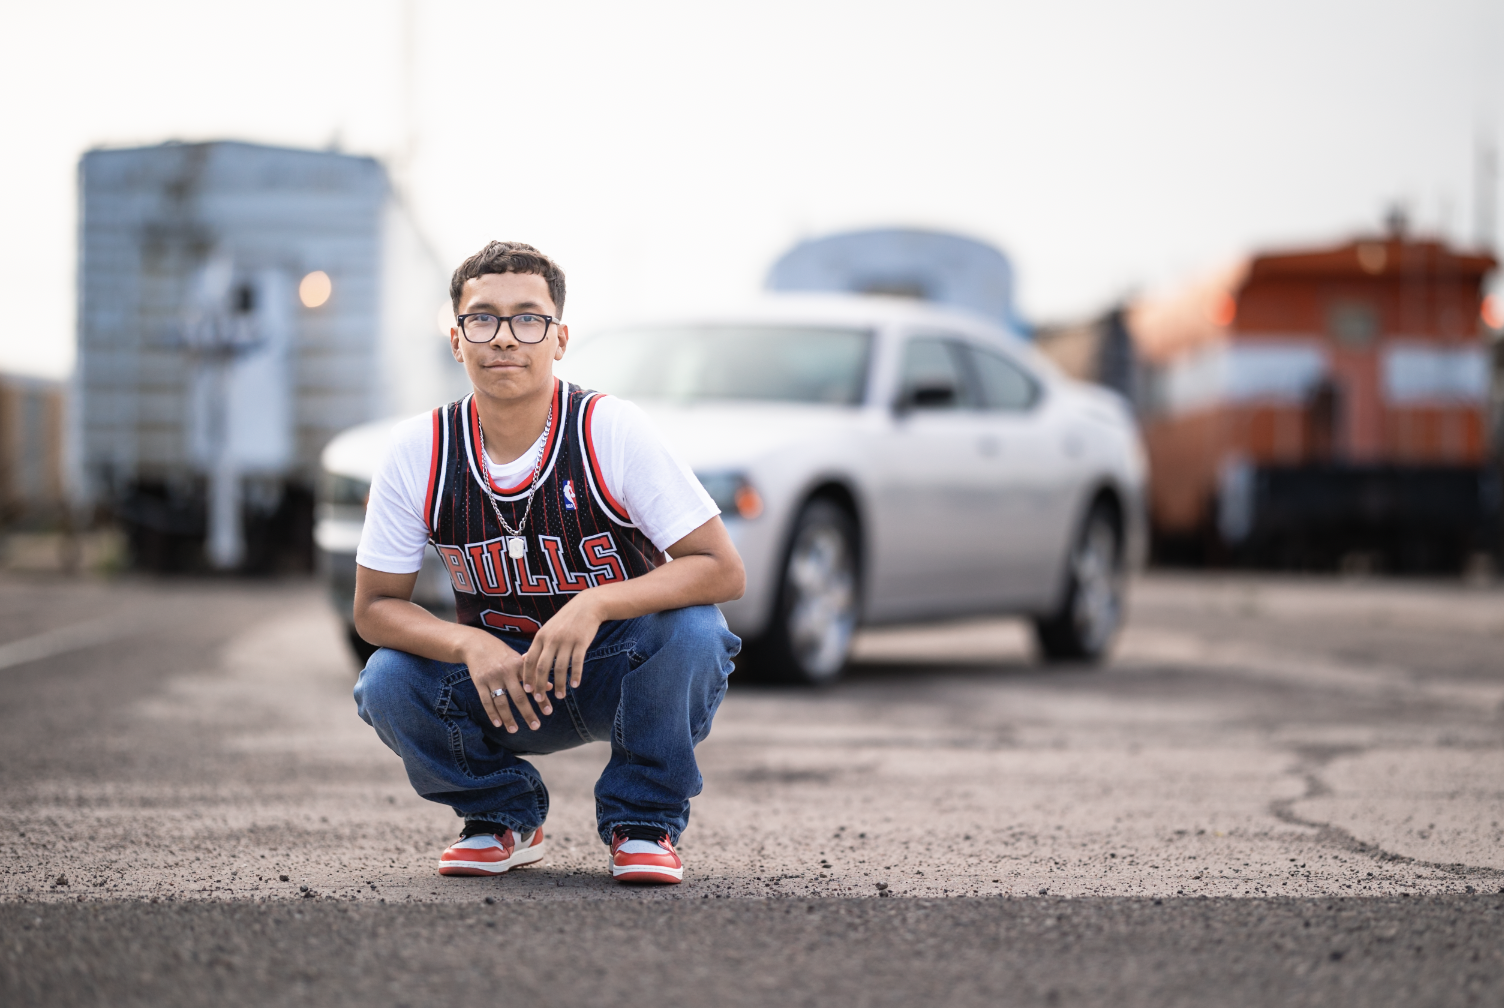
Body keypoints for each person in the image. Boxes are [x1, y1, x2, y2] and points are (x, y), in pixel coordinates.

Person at [352, 241, 744, 885]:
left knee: (696, 630)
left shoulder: (609, 430)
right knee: (387, 680)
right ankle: (500, 815)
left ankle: (643, 821)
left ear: (558, 338)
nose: (504, 337)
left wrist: (594, 604)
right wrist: (467, 643)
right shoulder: (418, 449)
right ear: (457, 339)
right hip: (499, 684)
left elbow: (721, 569)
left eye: (527, 318)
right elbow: (374, 609)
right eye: (483, 318)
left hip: (612, 671)